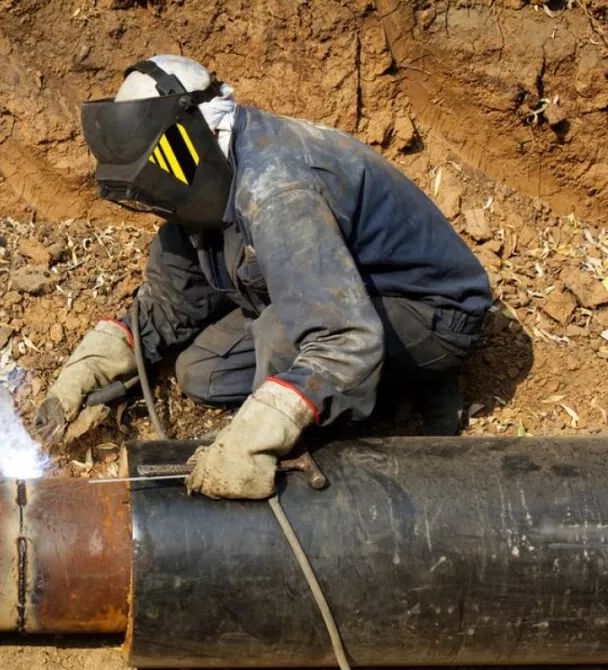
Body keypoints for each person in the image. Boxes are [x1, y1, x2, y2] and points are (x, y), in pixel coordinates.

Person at [33, 55, 492, 500]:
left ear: (195, 136)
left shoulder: (277, 191)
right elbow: (172, 302)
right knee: (202, 373)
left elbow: (344, 339)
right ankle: (373, 384)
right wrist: (93, 366)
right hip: (332, 293)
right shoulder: (206, 174)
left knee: (279, 334)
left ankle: (418, 378)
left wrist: (256, 440)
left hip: (428, 311)